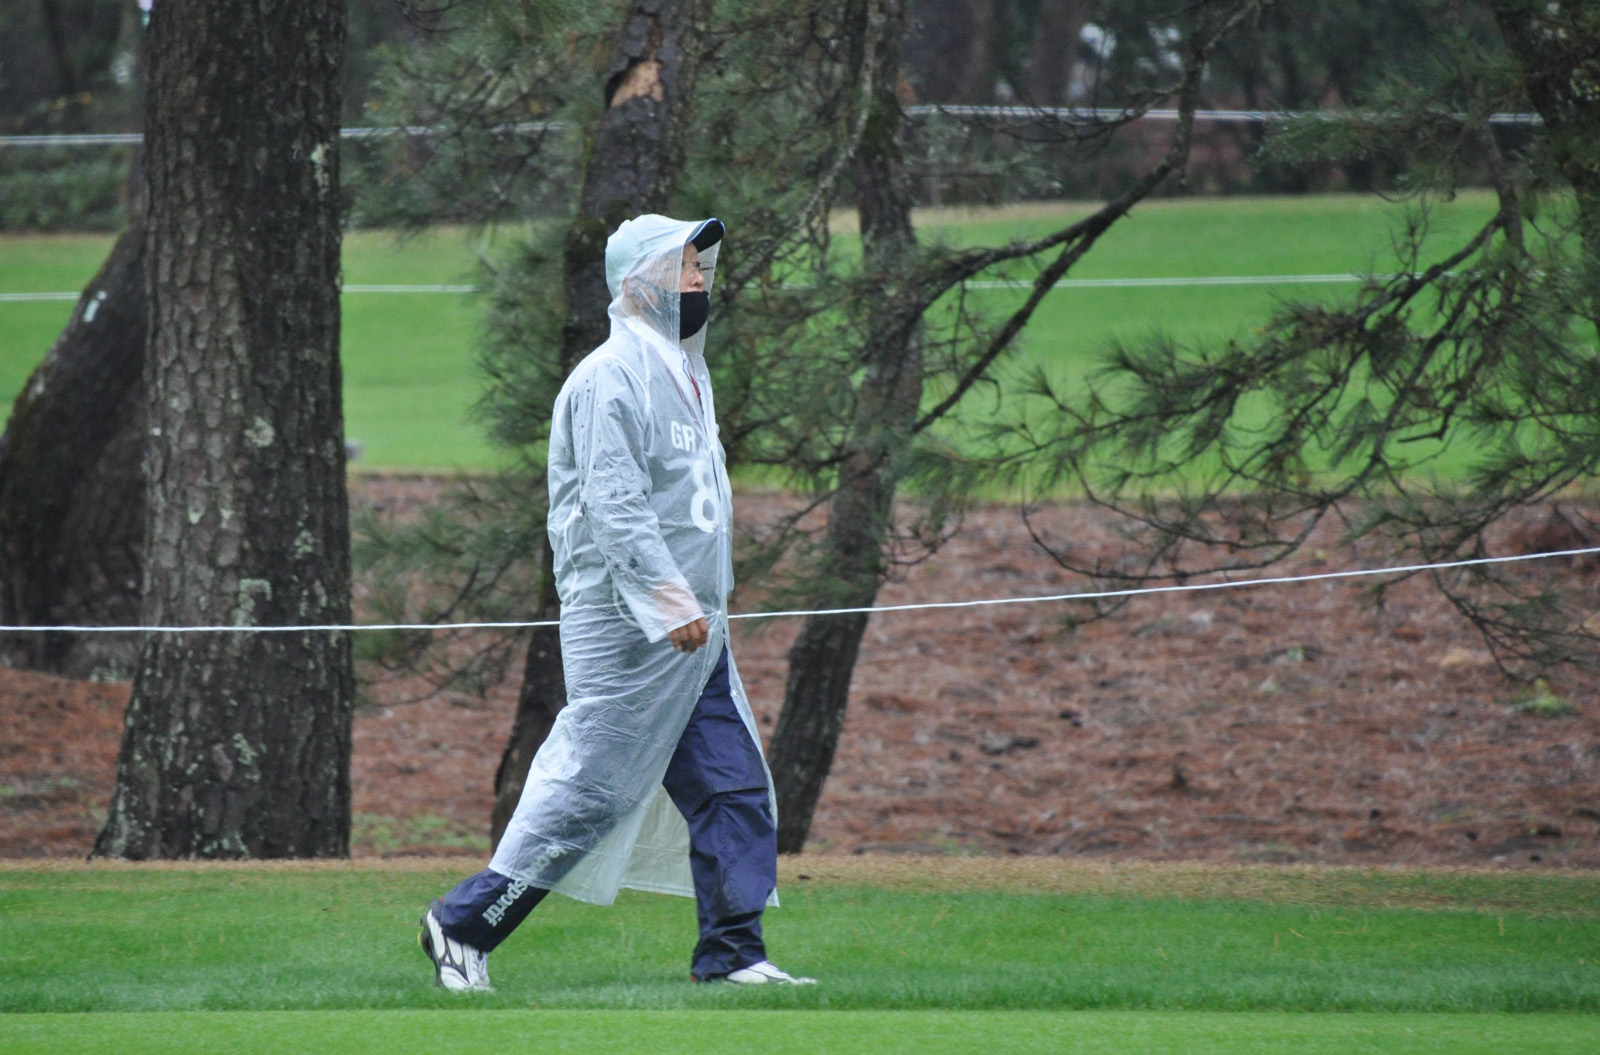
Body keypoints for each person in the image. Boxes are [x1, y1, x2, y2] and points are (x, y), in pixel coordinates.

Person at [418, 214, 813, 991]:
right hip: (632, 632)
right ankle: (461, 924)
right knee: (589, 795)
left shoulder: (687, 373)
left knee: (733, 786)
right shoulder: (608, 378)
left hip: (696, 635)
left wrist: (695, 605)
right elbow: (614, 502)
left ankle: (734, 954)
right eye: (684, 267)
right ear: (640, 282)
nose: (699, 280)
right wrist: (667, 599)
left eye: (701, 267)